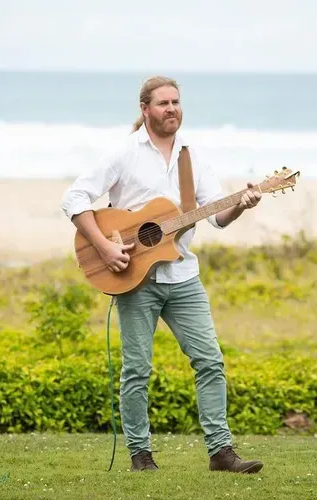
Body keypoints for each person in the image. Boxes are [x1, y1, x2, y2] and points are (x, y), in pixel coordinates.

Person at [61, 76, 263, 473]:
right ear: (145, 109)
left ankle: (221, 452)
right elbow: (74, 198)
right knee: (137, 370)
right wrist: (104, 247)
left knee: (210, 361)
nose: (172, 108)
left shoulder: (192, 157)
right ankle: (140, 456)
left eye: (176, 102)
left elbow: (216, 216)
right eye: (163, 102)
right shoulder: (125, 153)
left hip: (184, 276)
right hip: (135, 278)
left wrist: (241, 204)